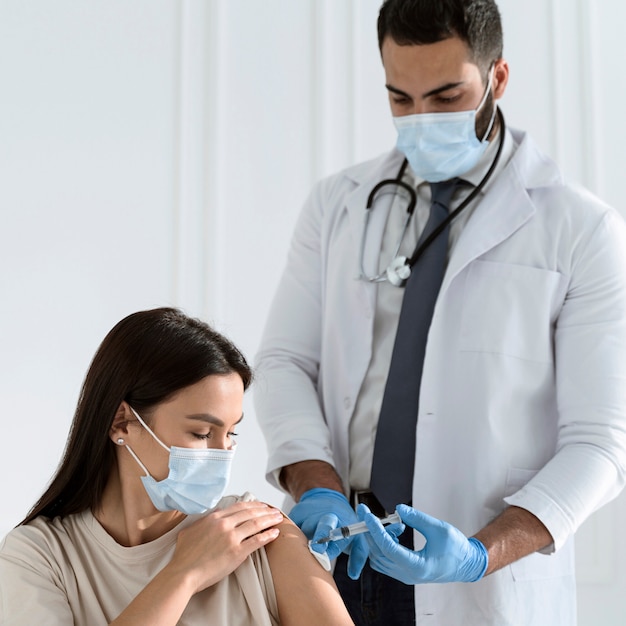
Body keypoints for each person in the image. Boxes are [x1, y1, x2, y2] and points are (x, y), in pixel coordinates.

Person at [253, 1, 626, 624]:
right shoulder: (339, 206)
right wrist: (315, 486)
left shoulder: (579, 228)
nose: (421, 119)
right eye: (401, 99)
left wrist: (478, 555)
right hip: (340, 564)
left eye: (447, 95)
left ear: (497, 79)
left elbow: (599, 446)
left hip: (480, 583)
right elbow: (285, 361)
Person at [0, 307, 354, 626]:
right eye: (201, 433)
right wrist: (184, 573)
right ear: (122, 422)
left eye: (231, 433)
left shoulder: (260, 533)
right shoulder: (39, 556)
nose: (223, 453)